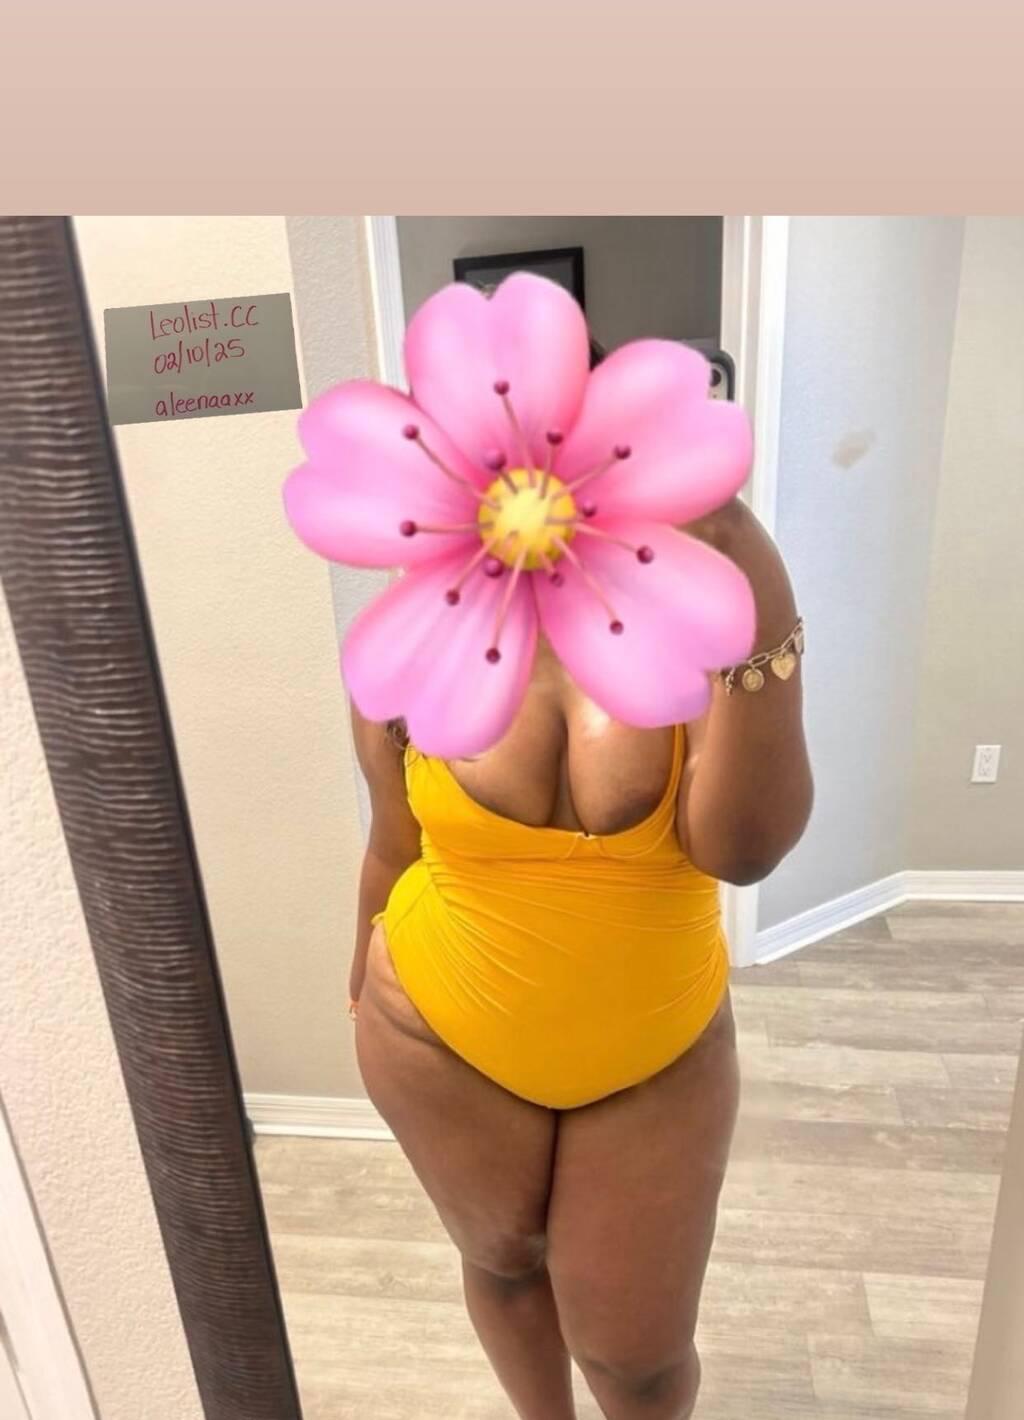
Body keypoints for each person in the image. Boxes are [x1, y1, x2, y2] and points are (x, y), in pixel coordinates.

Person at [349, 347, 813, 1420]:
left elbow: (744, 849)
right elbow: (391, 842)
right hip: (435, 1032)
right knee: (503, 1263)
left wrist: (746, 559)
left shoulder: (698, 628)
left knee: (636, 1358)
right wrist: (355, 989)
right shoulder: (419, 628)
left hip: (652, 1052)